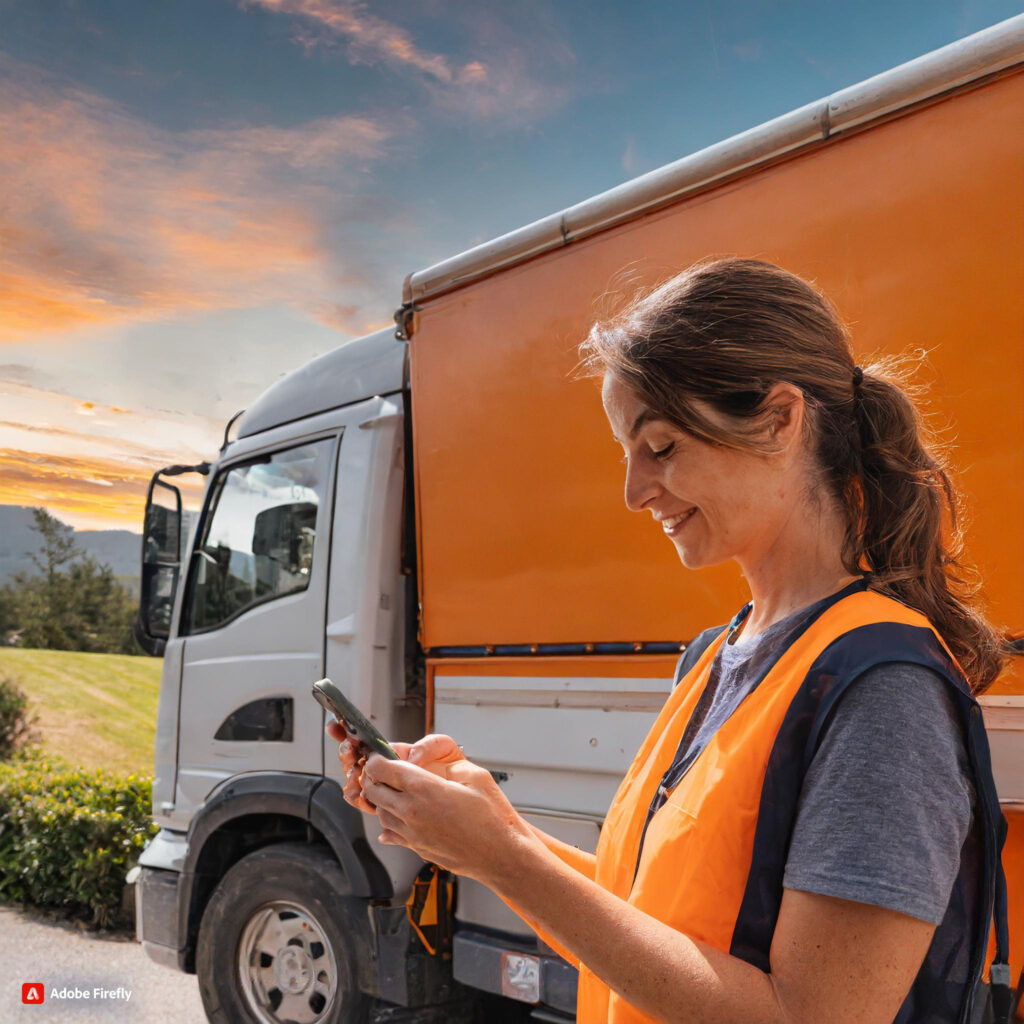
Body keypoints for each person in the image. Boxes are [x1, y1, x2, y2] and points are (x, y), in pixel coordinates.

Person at [327, 257, 1011, 1024]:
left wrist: (504, 858)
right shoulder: (715, 657)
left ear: (781, 419)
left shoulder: (884, 690)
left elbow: (807, 1015)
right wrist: (485, 830)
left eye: (661, 446)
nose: (633, 491)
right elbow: (648, 914)